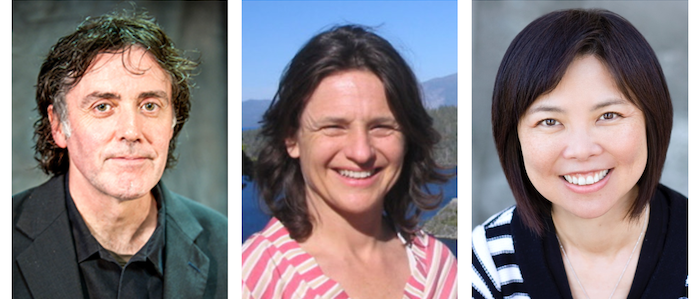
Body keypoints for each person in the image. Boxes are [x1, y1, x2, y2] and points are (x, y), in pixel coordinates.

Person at [471, 8, 687, 299]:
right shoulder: (485, 261)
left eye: (608, 115)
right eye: (549, 122)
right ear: (514, 137)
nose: (582, 150)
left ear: (651, 120)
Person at [12, 8, 227, 299]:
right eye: (103, 106)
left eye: (150, 105)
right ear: (59, 126)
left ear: (174, 123)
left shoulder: (225, 244)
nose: (131, 130)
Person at [242, 25, 457, 298]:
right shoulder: (254, 281)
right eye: (334, 126)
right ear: (291, 139)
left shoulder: (437, 268)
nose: (361, 152)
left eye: (382, 126)